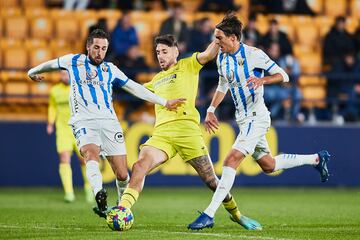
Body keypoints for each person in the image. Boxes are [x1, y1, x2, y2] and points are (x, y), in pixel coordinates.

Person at [188, 13, 331, 230]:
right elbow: (222, 85)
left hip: (257, 117)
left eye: (219, 38)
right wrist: (210, 109)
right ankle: (317, 159)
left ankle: (209, 214)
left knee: (230, 160)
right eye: (215, 38)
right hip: (243, 119)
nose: (216, 42)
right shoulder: (222, 58)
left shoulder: (255, 55)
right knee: (269, 165)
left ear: (234, 38)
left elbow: (284, 75)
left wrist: (263, 79)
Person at [27, 29, 184, 217]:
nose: (99, 52)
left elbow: (134, 87)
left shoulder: (110, 69)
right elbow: (51, 64)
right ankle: (98, 193)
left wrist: (164, 102)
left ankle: (121, 208)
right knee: (90, 154)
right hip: (84, 120)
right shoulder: (74, 61)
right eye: (96, 47)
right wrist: (32, 72)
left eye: (103, 48)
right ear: (88, 47)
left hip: (110, 122)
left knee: (122, 174)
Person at [118, 34, 260, 230]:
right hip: (162, 135)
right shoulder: (156, 79)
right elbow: (136, 90)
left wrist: (220, 35)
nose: (160, 56)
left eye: (165, 52)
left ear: (176, 51)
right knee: (140, 165)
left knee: (212, 181)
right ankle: (123, 209)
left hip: (187, 132)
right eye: (158, 52)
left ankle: (236, 214)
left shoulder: (188, 64)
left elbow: (209, 53)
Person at [47, 70, 93, 203]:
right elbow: (52, 107)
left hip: (78, 129)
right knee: (64, 159)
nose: (64, 76)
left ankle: (89, 189)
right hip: (62, 130)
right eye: (62, 74)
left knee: (83, 160)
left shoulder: (79, 89)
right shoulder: (55, 90)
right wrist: (50, 123)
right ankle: (69, 193)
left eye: (66, 74)